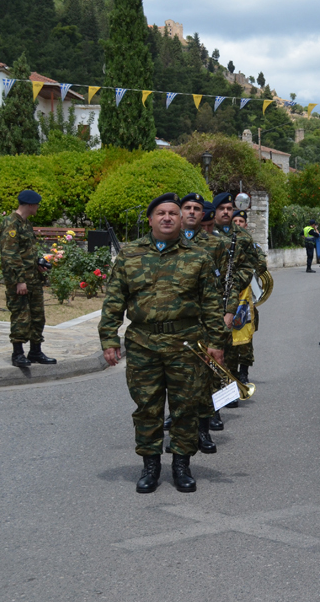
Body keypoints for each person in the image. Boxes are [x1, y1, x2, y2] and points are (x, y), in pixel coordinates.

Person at [99, 193, 225, 494]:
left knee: (186, 407)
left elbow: (211, 304)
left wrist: (216, 342)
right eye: (160, 213)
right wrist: (109, 338)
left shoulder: (198, 257)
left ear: (181, 219)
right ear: (150, 219)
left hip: (186, 344)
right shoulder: (130, 255)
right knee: (147, 407)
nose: (167, 218)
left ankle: (181, 464)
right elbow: (114, 300)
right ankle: (150, 466)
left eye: (172, 213)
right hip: (143, 344)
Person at [178, 192, 234, 452]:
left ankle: (204, 428)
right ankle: (179, 426)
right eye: (187, 207)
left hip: (205, 320)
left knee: (205, 375)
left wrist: (228, 312)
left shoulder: (215, 244)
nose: (191, 212)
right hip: (176, 322)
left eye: (196, 208)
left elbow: (228, 282)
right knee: (176, 378)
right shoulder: (168, 240)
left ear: (203, 215)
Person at [0, 190, 56, 368]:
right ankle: (17, 354)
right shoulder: (11, 223)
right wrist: (20, 280)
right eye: (37, 205)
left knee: (38, 316)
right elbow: (10, 254)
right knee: (21, 316)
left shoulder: (26, 223)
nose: (38, 208)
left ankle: (35, 352)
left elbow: (26, 251)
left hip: (33, 278)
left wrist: (38, 263)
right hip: (19, 280)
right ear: (30, 205)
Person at [224, 210, 267, 393]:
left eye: (241, 221)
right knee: (228, 339)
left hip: (245, 296)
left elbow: (261, 264)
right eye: (235, 220)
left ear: (246, 224)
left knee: (245, 337)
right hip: (227, 295)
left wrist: (246, 266)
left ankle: (244, 372)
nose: (238, 223)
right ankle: (229, 375)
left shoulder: (250, 244)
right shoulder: (223, 241)